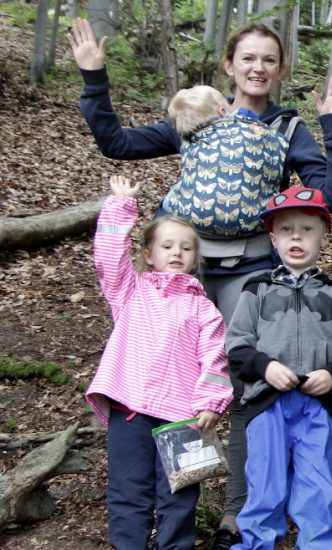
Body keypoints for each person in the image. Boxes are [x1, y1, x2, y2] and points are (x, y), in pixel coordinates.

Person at [70, 23, 332, 545]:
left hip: (251, 271)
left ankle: (235, 512)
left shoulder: (288, 128)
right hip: (186, 269)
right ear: (229, 65)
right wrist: (93, 77)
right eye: (248, 58)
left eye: (269, 59)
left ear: (280, 69)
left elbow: (330, 197)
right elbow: (117, 143)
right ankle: (165, 503)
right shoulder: (199, 114)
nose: (258, 68)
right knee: (177, 381)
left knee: (244, 386)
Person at [88, 175, 232, 550]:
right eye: (167, 246)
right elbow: (108, 259)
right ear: (149, 255)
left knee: (180, 497)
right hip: (130, 408)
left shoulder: (204, 309)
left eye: (186, 248)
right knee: (128, 490)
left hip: (185, 416)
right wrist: (121, 206)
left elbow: (215, 358)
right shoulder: (130, 291)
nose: (176, 253)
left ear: (195, 258)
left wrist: (210, 403)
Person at [225, 186, 332, 549]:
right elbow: (236, 347)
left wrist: (331, 375)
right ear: (273, 239)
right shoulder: (256, 290)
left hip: (318, 407)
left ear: (324, 237)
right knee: (265, 484)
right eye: (286, 230)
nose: (296, 237)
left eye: (307, 229)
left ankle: (322, 544)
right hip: (266, 404)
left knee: (315, 485)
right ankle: (256, 543)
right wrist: (265, 366)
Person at [161, 85, 288, 240]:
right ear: (222, 111)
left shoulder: (189, 139)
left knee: (169, 199)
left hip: (192, 218)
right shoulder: (247, 121)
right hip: (254, 220)